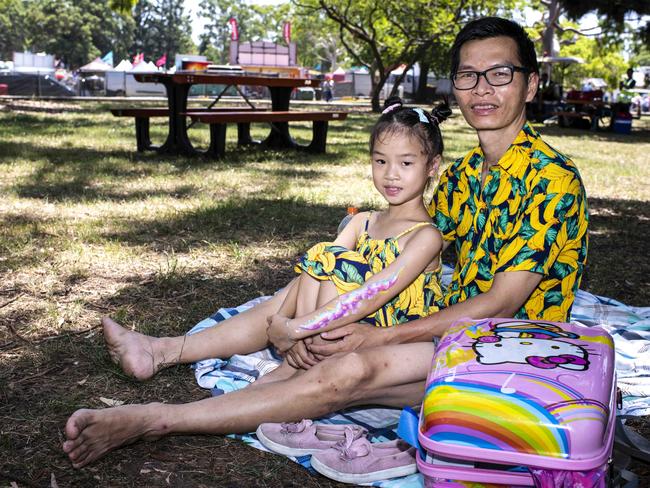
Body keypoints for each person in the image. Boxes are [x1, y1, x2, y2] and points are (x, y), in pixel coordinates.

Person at [63, 16, 588, 471]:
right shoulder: (464, 173)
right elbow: (404, 236)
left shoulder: (551, 180)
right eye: (469, 75)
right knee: (313, 281)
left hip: (510, 354)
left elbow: (501, 304)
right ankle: (162, 350)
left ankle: (155, 421)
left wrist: (376, 337)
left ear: (531, 84)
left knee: (351, 366)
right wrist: (336, 281)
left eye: (501, 74)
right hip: (450, 326)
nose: (483, 89)